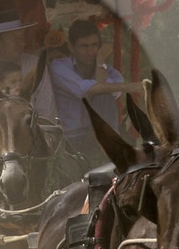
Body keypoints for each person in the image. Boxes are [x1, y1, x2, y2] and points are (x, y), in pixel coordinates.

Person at [48, 19, 141, 166]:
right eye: (84, 46)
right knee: (102, 93)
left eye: (94, 45)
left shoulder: (110, 72)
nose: (90, 52)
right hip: (70, 139)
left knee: (104, 96)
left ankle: (112, 155)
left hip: (98, 138)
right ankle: (113, 155)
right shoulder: (59, 66)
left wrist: (100, 60)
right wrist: (131, 87)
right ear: (71, 47)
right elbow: (88, 90)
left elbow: (101, 87)